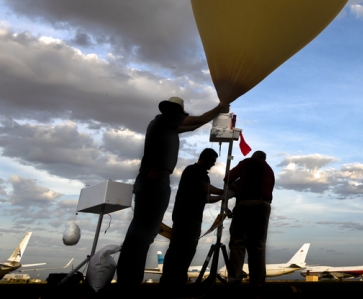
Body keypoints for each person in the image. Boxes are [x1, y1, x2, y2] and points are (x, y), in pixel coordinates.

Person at [116, 97, 228, 286]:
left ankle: (128, 281)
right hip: (155, 180)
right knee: (144, 234)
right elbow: (198, 120)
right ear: (173, 112)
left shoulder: (163, 125)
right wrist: (220, 108)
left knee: (140, 233)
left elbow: (192, 127)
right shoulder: (164, 120)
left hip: (151, 179)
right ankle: (129, 284)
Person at [159, 148, 224, 290]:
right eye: (212, 161)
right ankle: (168, 279)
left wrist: (221, 197)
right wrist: (223, 191)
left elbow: (206, 197)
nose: (213, 164)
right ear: (205, 158)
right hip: (185, 216)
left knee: (189, 248)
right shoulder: (193, 171)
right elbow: (205, 188)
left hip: (194, 218)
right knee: (178, 247)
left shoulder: (203, 176)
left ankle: (179, 278)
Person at [226, 150, 275, 287]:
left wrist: (235, 189)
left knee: (238, 242)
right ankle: (257, 283)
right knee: (258, 245)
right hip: (264, 206)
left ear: (254, 157)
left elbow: (228, 178)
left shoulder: (248, 162)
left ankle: (234, 281)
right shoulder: (270, 170)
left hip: (245, 204)